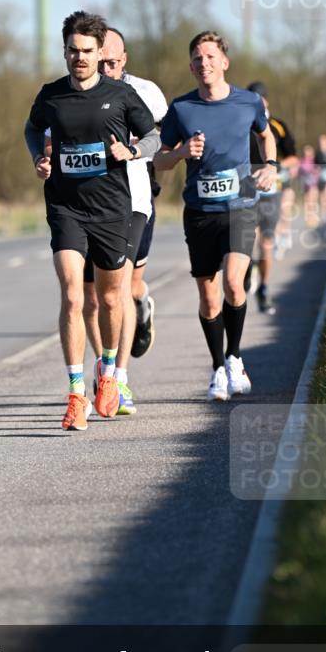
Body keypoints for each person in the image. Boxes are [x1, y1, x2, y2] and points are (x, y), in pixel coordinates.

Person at [24, 11, 160, 431]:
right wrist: (39, 157)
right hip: (66, 207)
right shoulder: (51, 95)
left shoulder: (119, 95)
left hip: (111, 210)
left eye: (86, 51)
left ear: (100, 52)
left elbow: (154, 134)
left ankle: (107, 373)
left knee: (112, 299)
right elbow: (32, 129)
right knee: (72, 295)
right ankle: (75, 394)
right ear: (64, 51)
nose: (78, 58)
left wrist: (134, 152)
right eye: (72, 50)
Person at [154, 31, 277, 401]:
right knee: (209, 299)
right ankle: (218, 368)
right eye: (196, 58)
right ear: (190, 66)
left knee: (234, 285)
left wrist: (270, 165)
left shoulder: (249, 102)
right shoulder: (181, 109)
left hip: (240, 205)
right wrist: (180, 154)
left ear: (224, 62)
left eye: (209, 56)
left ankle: (235, 356)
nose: (202, 63)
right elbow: (159, 159)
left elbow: (266, 135)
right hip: (200, 212)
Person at [82, 27, 168, 415]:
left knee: (119, 286)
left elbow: (157, 137)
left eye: (114, 62)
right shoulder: (76, 91)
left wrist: (133, 152)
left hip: (132, 201)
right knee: (92, 298)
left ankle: (121, 380)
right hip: (85, 204)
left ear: (125, 58)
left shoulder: (145, 92)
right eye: (102, 63)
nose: (108, 68)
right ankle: (104, 370)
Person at [245, 82, 298, 315]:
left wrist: (274, 167)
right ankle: (246, 270)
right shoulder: (240, 122)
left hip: (270, 192)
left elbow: (294, 158)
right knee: (246, 241)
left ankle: (264, 289)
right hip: (244, 190)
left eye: (260, 99)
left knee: (266, 243)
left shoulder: (278, 126)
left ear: (266, 101)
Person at [299, 145, 320, 227]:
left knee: (313, 200)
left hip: (314, 183)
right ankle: (308, 217)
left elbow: (318, 170)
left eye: (308, 151)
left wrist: (315, 171)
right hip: (305, 184)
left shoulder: (315, 160)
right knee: (307, 201)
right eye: (306, 151)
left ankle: (313, 217)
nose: (307, 153)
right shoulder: (302, 161)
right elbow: (301, 170)